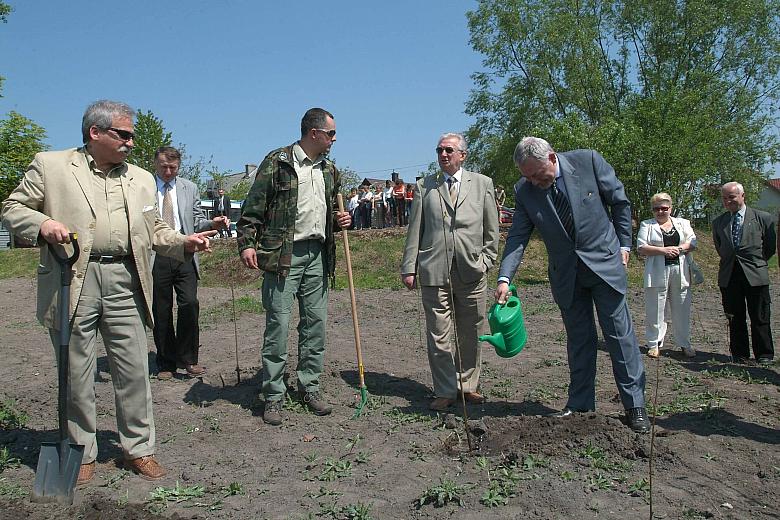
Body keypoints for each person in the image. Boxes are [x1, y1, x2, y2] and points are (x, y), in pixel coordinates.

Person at [0, 100, 215, 483]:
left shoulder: (141, 179)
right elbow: (12, 207)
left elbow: (155, 229)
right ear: (95, 132)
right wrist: (43, 224)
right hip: (72, 277)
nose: (131, 142)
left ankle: (139, 449)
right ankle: (81, 452)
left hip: (125, 280)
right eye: (124, 134)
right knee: (76, 371)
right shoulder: (51, 166)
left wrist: (184, 242)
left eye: (132, 135)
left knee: (134, 370)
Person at [495, 136, 649, 433]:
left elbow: (619, 202)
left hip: (604, 265)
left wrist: (624, 245)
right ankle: (580, 405)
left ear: (552, 158)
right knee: (579, 341)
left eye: (537, 175)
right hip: (567, 275)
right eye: (527, 177)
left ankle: (635, 405)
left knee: (619, 337)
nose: (533, 182)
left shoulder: (588, 161)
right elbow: (517, 237)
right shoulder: (525, 190)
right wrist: (504, 278)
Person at [236, 108, 351, 426]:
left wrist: (339, 220)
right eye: (331, 134)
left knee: (315, 324)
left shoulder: (329, 170)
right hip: (282, 255)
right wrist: (247, 243)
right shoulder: (278, 162)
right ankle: (274, 394)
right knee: (279, 324)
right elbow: (253, 207)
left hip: (318, 255)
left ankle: (309, 387)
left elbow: (328, 212)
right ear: (314, 133)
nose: (334, 139)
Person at [400, 132, 499, 411]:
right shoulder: (425, 186)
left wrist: (486, 261)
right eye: (439, 150)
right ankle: (444, 389)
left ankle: (467, 386)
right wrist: (409, 267)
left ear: (462, 155)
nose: (443, 155)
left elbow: (492, 230)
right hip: (434, 270)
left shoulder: (482, 184)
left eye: (449, 150)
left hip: (472, 271)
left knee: (471, 332)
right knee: (438, 334)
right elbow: (415, 230)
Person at [152, 146, 229, 380]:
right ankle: (166, 362)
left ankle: (188, 359)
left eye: (173, 168)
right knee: (161, 309)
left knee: (189, 303)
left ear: (179, 167)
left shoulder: (189, 187)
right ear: (155, 164)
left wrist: (213, 224)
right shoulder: (144, 187)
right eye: (164, 167)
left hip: (185, 252)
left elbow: (196, 220)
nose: (168, 172)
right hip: (156, 254)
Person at [712, 182, 776, 365]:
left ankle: (764, 354)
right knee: (734, 317)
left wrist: (756, 263)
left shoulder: (763, 218)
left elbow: (770, 247)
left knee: (760, 316)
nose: (728, 201)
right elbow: (721, 248)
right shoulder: (719, 222)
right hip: (729, 276)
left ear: (742, 196)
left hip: (755, 274)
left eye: (731, 197)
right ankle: (740, 354)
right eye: (724, 198)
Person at [636, 193, 697, 359]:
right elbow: (641, 247)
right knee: (655, 308)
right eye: (656, 209)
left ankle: (684, 343)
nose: (660, 212)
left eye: (664, 208)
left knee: (682, 308)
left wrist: (679, 249)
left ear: (670, 208)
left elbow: (692, 242)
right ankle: (654, 343)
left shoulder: (683, 223)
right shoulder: (647, 225)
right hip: (657, 271)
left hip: (680, 270)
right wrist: (663, 251)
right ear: (652, 210)